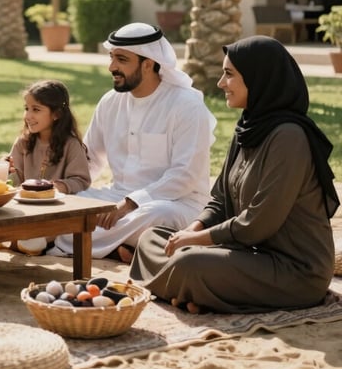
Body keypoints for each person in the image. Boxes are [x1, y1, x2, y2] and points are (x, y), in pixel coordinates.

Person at [129, 35, 339, 313]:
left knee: (189, 264)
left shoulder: (290, 137)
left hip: (294, 270)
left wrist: (195, 243)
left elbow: (257, 224)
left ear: (258, 77)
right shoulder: (248, 127)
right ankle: (195, 292)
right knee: (151, 238)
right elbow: (219, 200)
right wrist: (192, 231)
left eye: (229, 74)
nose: (220, 83)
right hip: (249, 255)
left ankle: (190, 287)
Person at [49, 22, 216, 261]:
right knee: (65, 205)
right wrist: (65, 187)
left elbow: (185, 176)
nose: (111, 67)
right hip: (116, 199)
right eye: (111, 58)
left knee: (156, 216)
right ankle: (122, 248)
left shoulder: (186, 105)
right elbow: (91, 159)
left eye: (121, 60)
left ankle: (70, 241)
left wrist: (130, 204)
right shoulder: (110, 102)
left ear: (148, 64)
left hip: (176, 203)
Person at [6, 79, 91, 255]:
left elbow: (81, 181)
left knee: (64, 225)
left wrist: (59, 186)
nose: (28, 115)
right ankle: (23, 240)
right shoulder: (23, 142)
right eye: (26, 108)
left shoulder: (71, 145)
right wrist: (10, 171)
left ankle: (36, 241)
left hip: (55, 209)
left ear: (56, 114)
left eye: (36, 110)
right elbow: (17, 182)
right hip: (26, 209)